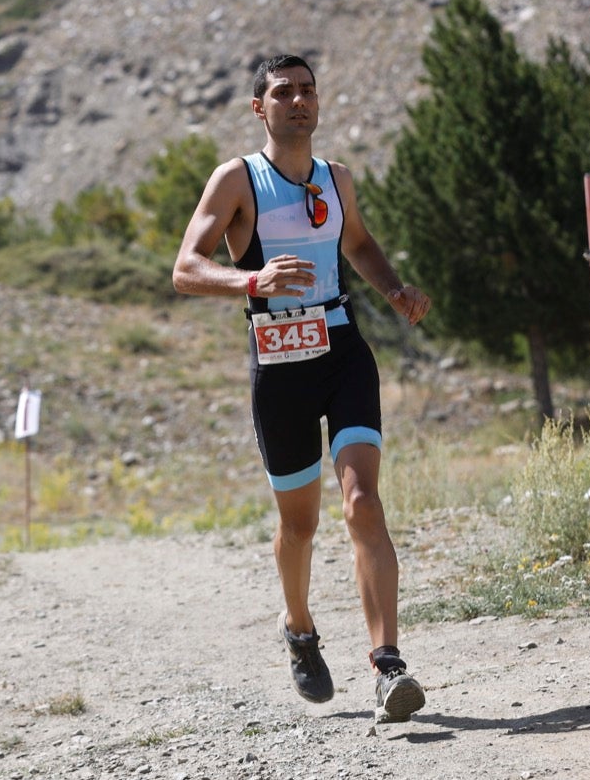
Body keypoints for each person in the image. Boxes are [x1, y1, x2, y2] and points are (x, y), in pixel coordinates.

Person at [172, 54, 432, 723]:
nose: (298, 101)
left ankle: (388, 665)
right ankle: (299, 627)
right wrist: (250, 281)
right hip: (277, 361)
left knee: (363, 501)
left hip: (342, 349)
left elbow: (361, 244)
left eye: (307, 90)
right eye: (282, 92)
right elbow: (186, 269)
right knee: (300, 522)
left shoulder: (335, 178)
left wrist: (393, 289)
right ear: (259, 107)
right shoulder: (237, 179)